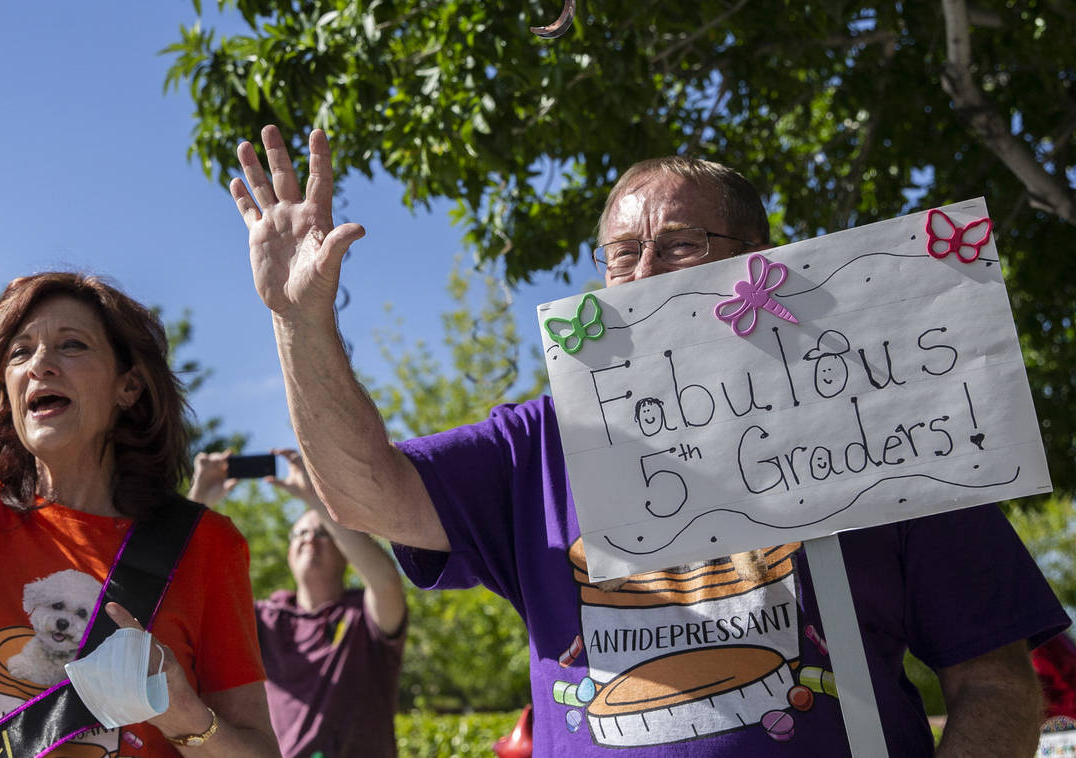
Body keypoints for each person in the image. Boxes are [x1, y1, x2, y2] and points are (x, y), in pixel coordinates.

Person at [227, 124, 1069, 756]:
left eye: (680, 245)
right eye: (621, 254)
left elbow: (993, 680)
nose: (642, 275)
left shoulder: (874, 417)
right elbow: (362, 491)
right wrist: (299, 321)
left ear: (759, 259)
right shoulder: (541, 442)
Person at [0, 272, 280, 757]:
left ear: (127, 387)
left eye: (71, 345)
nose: (40, 365)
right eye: (19, 352)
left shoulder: (205, 545)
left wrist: (184, 717)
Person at [187, 448, 407, 758]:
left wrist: (315, 498)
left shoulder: (364, 616)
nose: (308, 539)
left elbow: (386, 581)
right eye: (300, 533)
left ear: (346, 552)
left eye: (322, 533)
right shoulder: (263, 620)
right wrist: (198, 503)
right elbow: (178, 593)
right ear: (289, 553)